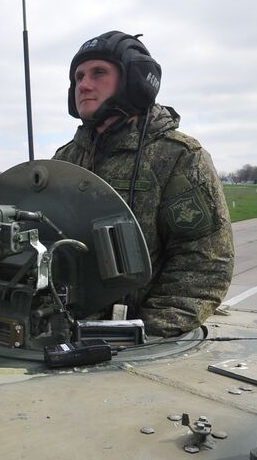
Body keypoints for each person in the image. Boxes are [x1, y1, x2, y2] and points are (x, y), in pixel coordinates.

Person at [52, 31, 233, 337]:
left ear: (134, 81)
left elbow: (204, 262)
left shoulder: (177, 156)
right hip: (64, 331)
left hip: (142, 342)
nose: (83, 85)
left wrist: (148, 334)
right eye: (79, 76)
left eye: (99, 73)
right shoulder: (65, 159)